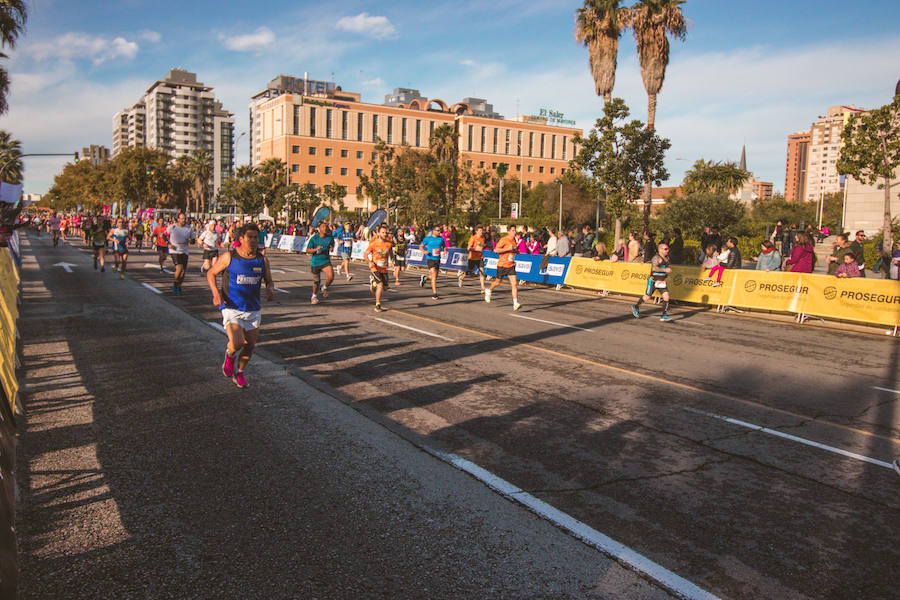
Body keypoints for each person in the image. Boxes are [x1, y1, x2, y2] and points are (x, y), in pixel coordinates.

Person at [207, 222, 274, 389]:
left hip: (253, 309)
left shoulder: (262, 259)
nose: (253, 240)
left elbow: (269, 280)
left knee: (250, 345)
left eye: (255, 238)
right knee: (236, 343)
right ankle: (229, 356)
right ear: (241, 238)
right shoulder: (230, 257)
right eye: (249, 237)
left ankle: (240, 373)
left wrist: (270, 289)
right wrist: (216, 293)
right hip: (232, 307)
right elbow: (211, 273)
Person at [631, 243, 673, 322]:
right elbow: (654, 268)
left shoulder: (667, 258)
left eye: (668, 249)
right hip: (653, 281)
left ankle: (664, 315)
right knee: (647, 296)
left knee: (666, 297)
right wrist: (665, 270)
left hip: (662, 282)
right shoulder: (656, 257)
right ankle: (636, 306)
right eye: (665, 249)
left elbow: (665, 267)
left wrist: (666, 273)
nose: (667, 250)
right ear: (660, 250)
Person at [485, 224, 521, 311]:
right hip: (502, 265)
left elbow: (513, 250)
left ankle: (515, 303)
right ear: (508, 232)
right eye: (512, 230)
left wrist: (516, 251)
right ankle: (489, 290)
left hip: (511, 265)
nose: (514, 232)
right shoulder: (504, 240)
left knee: (514, 284)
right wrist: (507, 249)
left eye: (515, 230)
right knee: (497, 282)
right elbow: (496, 250)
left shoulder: (514, 241)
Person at [305, 220, 335, 304]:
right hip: (315, 262)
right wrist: (315, 249)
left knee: (331, 276)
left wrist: (331, 248)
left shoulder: (330, 237)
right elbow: (307, 250)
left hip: (325, 260)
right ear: (319, 229)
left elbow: (332, 244)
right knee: (316, 281)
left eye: (326, 227)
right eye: (323, 227)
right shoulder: (314, 238)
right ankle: (314, 296)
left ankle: (324, 287)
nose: (325, 228)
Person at [365, 224, 393, 312]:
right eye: (383, 232)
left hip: (384, 268)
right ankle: (378, 304)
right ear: (378, 233)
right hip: (375, 267)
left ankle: (373, 282)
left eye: (386, 233)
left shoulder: (389, 244)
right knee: (380, 286)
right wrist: (369, 262)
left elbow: (391, 253)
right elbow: (365, 254)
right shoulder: (374, 244)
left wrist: (392, 261)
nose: (385, 234)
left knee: (385, 288)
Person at [167, 213, 194, 295]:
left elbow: (193, 241)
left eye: (184, 219)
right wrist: (168, 244)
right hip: (174, 250)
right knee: (179, 268)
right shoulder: (172, 227)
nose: (183, 220)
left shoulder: (189, 228)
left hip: (184, 250)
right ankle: (175, 285)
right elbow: (163, 235)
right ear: (178, 219)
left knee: (183, 272)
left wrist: (190, 240)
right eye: (182, 219)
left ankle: (179, 286)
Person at [419, 225, 446, 300]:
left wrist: (445, 250)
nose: (439, 232)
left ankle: (425, 278)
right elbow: (420, 246)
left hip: (437, 259)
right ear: (433, 231)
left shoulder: (441, 239)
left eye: (439, 230)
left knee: (435, 276)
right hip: (430, 258)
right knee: (434, 274)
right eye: (437, 230)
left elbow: (444, 246)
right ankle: (435, 293)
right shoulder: (428, 239)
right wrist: (424, 251)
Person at [459, 224, 486, 292]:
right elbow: (468, 248)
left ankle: (482, 288)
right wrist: (475, 249)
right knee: (468, 271)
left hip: (480, 258)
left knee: (482, 272)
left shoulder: (482, 238)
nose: (481, 232)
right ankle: (461, 278)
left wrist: (482, 247)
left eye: (482, 230)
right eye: (480, 230)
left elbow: (482, 246)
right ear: (476, 231)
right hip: (472, 258)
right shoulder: (473, 238)